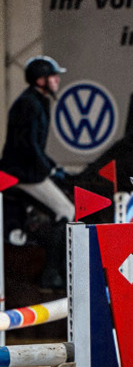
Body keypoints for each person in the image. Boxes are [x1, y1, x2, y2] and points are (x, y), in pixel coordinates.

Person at [1, 56, 75, 289]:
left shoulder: (39, 101)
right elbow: (28, 146)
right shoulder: (29, 104)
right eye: (53, 76)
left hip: (29, 167)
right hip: (22, 172)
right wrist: (48, 168)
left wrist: (51, 165)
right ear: (41, 80)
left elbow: (34, 147)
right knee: (66, 210)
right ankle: (50, 273)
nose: (58, 80)